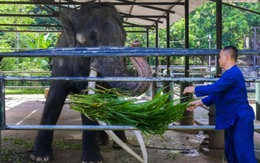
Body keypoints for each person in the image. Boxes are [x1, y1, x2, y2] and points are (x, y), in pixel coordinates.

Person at [183, 46, 257, 163]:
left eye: (220, 57)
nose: (218, 60)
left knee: (244, 155)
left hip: (240, 119)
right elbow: (218, 93)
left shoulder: (233, 74)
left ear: (226, 57)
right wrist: (199, 102)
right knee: (231, 153)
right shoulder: (229, 74)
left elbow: (215, 88)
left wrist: (195, 89)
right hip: (232, 119)